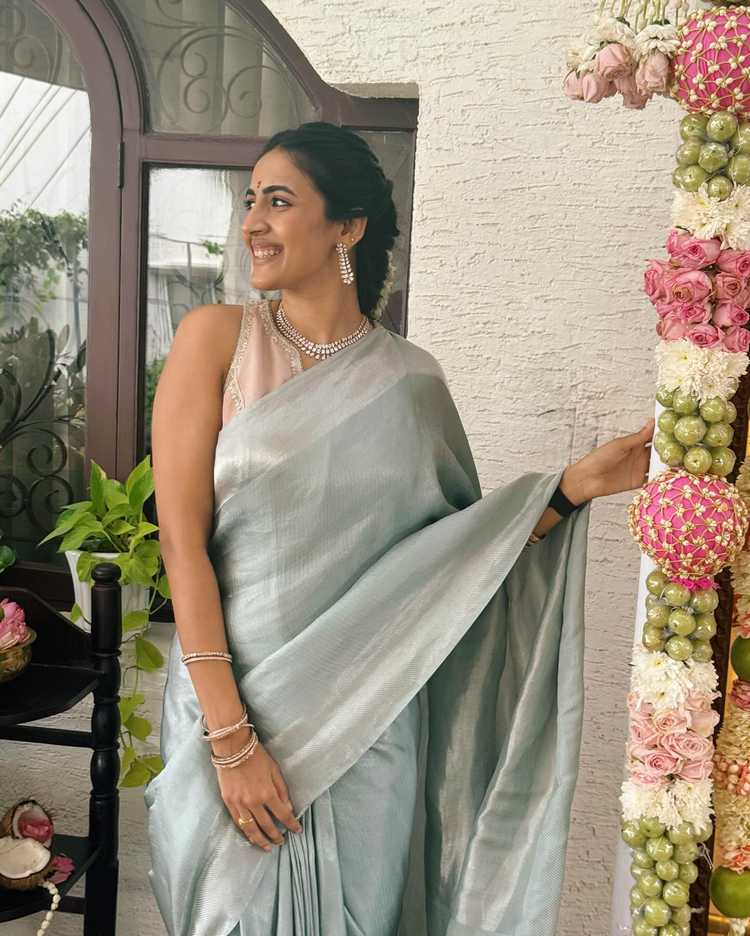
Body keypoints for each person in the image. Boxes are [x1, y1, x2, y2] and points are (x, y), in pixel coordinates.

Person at [145, 121, 654, 936]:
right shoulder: (216, 340)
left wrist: (572, 488)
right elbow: (182, 544)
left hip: (369, 714)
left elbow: (452, 567)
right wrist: (231, 739)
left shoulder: (412, 384)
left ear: (346, 227)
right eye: (250, 202)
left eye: (279, 201)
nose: (253, 224)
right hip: (232, 707)